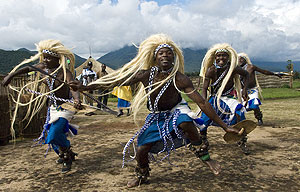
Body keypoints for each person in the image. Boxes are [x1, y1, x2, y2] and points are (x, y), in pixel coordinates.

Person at [69, 34, 241, 187]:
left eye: (169, 53)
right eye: (161, 53)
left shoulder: (179, 78)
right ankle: (142, 174)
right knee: (142, 150)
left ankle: (203, 155)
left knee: (186, 121)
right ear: (155, 57)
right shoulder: (145, 74)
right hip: (156, 117)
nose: (165, 55)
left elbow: (202, 103)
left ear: (174, 58)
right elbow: (115, 81)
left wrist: (225, 127)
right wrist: (85, 86)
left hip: (175, 111)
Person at [2, 39, 82, 173]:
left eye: (49, 58)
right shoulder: (43, 68)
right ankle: (67, 154)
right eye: (44, 57)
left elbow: (73, 87)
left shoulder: (64, 72)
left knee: (53, 134)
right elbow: (28, 68)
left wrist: (77, 100)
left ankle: (67, 156)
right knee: (50, 138)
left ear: (57, 59)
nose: (45, 60)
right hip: (52, 107)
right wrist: (11, 75)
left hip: (66, 107)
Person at [198, 43, 250, 155]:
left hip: (229, 98)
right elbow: (204, 88)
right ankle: (203, 140)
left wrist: (244, 90)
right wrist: (203, 102)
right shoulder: (211, 70)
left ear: (229, 57)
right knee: (204, 120)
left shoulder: (233, 68)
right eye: (219, 56)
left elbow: (246, 75)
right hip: (214, 98)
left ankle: (242, 140)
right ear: (215, 57)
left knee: (239, 112)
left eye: (224, 55)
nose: (221, 58)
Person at [238, 52, 282, 126]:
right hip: (241, 91)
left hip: (252, 90)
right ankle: (240, 122)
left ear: (245, 60)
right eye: (238, 59)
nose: (240, 60)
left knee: (254, 105)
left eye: (241, 59)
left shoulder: (251, 67)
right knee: (240, 108)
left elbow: (264, 71)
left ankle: (259, 118)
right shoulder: (236, 69)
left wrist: (275, 74)